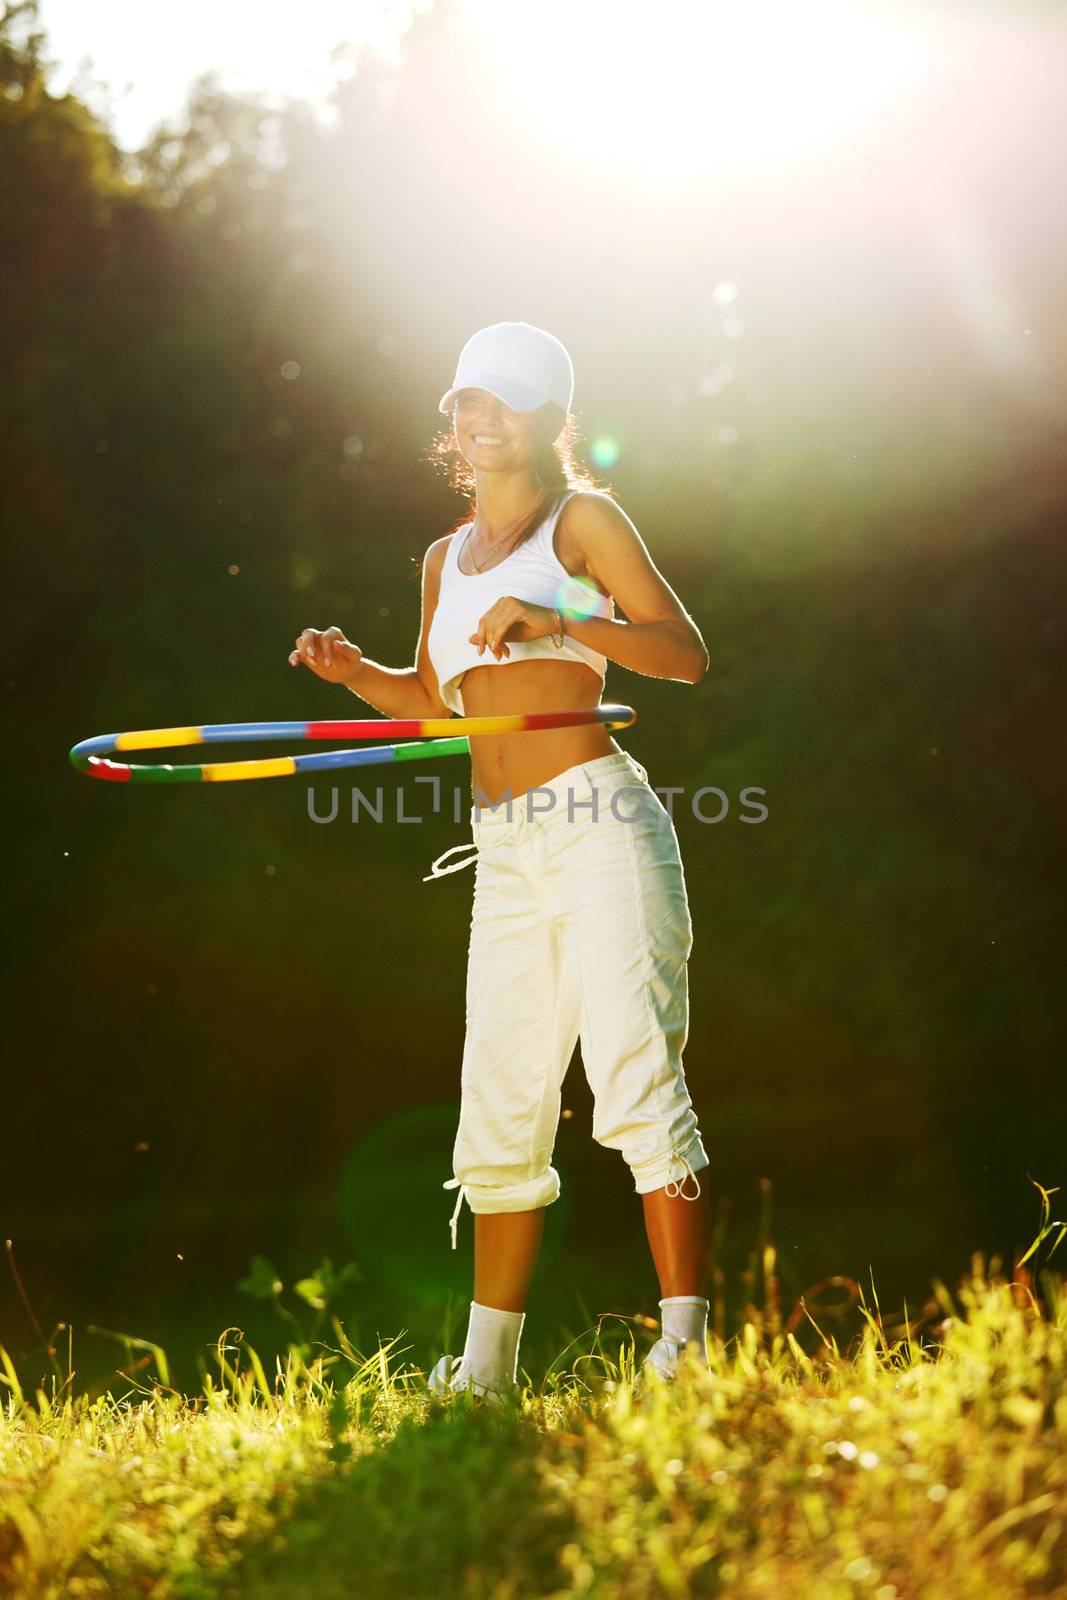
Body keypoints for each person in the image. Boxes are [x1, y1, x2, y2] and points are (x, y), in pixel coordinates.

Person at [288, 321, 712, 1398]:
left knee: (630, 1072)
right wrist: (353, 675)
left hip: (598, 823)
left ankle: (685, 1347)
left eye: (498, 405)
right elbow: (435, 706)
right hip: (504, 847)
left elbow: (681, 653)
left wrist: (559, 610)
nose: (475, 422)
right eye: (463, 405)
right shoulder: (441, 556)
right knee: (501, 1098)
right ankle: (484, 1374)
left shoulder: (584, 522)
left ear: (541, 420)